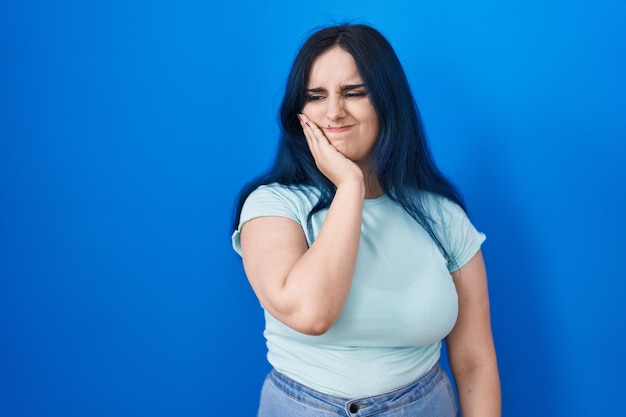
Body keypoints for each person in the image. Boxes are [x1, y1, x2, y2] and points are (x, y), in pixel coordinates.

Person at [231, 23, 500, 417]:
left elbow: (474, 360)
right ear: (299, 112)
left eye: (354, 93)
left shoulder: (443, 217)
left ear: (388, 102)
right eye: (316, 96)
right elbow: (312, 313)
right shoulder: (272, 207)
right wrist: (350, 184)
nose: (334, 111)